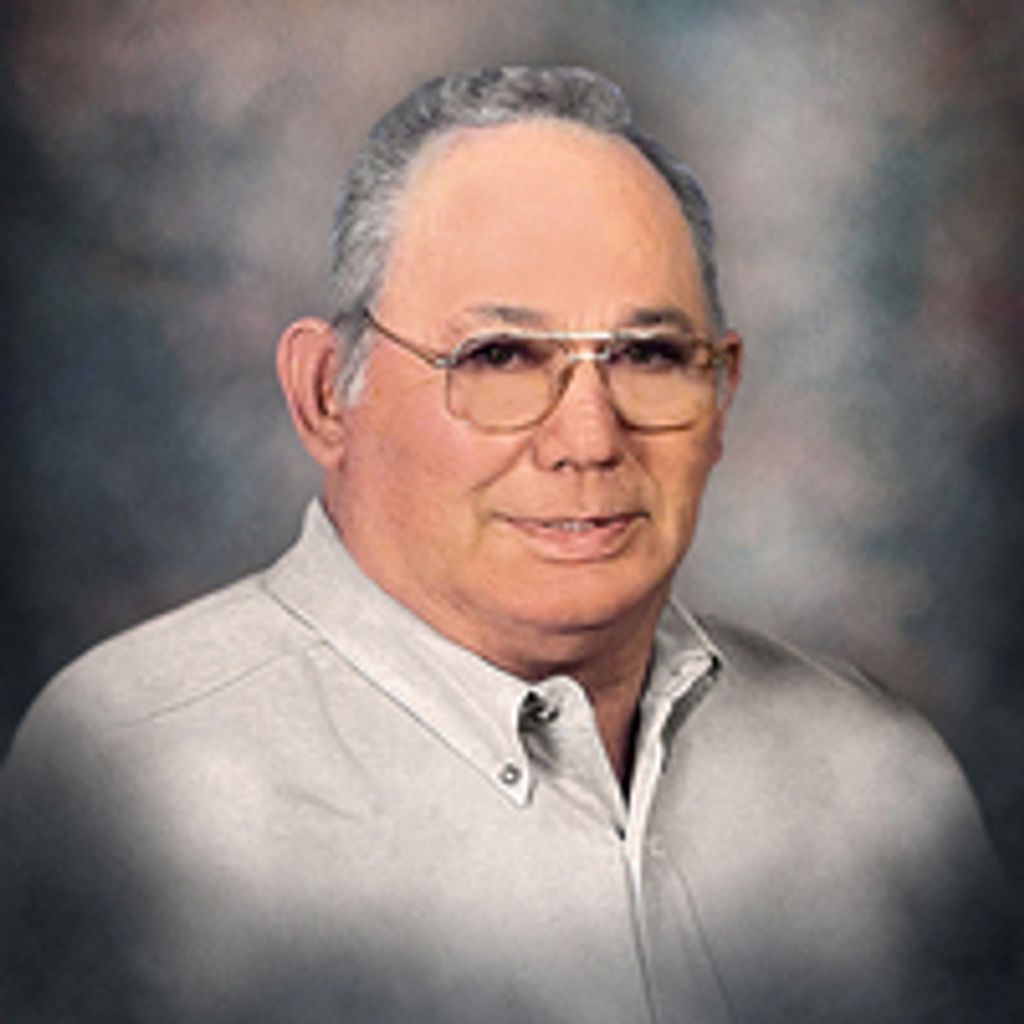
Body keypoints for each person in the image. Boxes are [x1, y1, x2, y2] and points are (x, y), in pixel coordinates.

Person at [2, 65, 1016, 1023]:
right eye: (498, 356)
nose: (589, 439)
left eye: (649, 354)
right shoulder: (140, 783)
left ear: (720, 393)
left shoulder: (882, 784)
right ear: (325, 395)